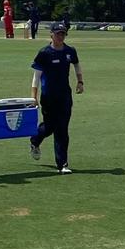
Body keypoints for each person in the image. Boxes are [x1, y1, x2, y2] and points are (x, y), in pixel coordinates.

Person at [29, 21, 84, 174]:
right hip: (48, 97)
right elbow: (36, 76)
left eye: (63, 34)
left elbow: (77, 64)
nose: (61, 36)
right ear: (51, 34)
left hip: (65, 96)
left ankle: (63, 164)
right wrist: (34, 96)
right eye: (58, 33)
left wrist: (80, 81)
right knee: (49, 127)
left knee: (62, 129)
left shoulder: (70, 51)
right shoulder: (44, 53)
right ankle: (35, 139)